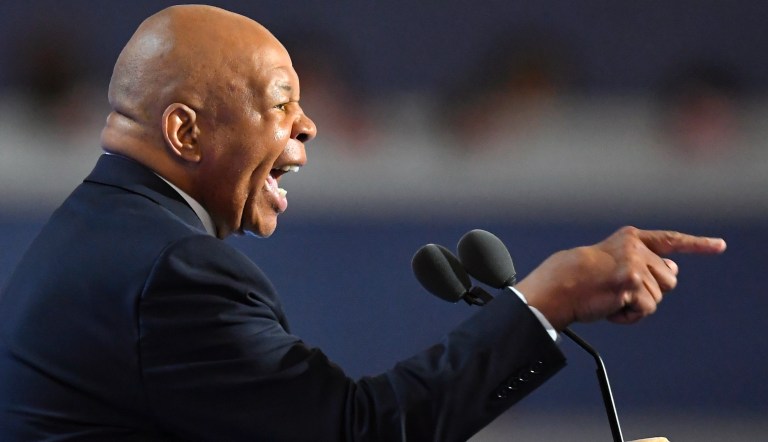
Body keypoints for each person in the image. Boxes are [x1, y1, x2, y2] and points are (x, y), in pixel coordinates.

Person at [0, 5, 726, 441]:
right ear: (187, 133)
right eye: (281, 102)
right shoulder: (174, 273)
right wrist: (548, 300)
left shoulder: (93, 233)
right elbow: (357, 434)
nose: (307, 124)